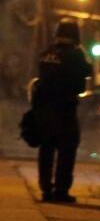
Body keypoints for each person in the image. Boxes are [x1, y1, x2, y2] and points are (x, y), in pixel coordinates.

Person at [32, 19, 92, 203]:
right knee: (67, 150)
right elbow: (83, 81)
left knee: (46, 150)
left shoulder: (46, 54)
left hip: (44, 109)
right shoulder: (75, 55)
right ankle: (61, 190)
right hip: (65, 109)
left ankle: (46, 190)